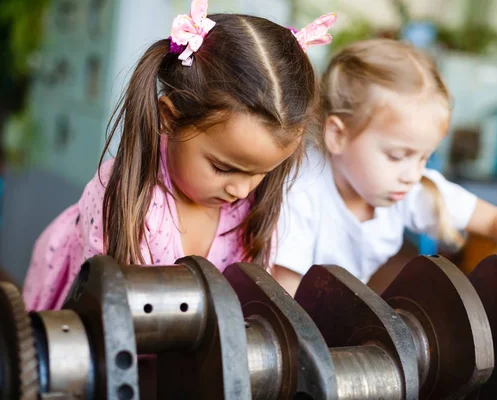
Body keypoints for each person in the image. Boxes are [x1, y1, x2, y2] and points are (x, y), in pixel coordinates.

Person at [23, 0, 337, 311]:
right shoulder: (126, 199)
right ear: (170, 118)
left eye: (260, 172)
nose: (241, 190)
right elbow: (92, 314)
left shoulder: (256, 208)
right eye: (222, 168)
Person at [272, 39, 497, 307]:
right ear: (337, 135)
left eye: (425, 157)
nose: (412, 174)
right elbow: (284, 300)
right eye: (397, 156)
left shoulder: (404, 185)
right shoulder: (300, 191)